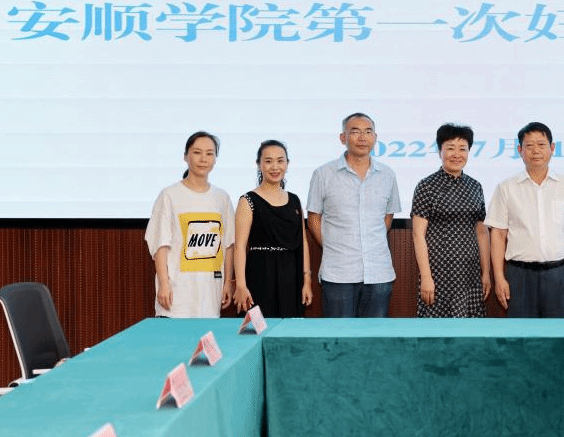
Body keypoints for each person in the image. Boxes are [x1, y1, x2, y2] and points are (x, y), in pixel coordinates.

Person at [485, 122, 564, 318]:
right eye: (529, 145)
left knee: (559, 333)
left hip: (561, 273)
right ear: (520, 150)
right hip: (520, 275)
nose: (536, 151)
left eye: (541, 145)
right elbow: (498, 235)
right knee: (521, 333)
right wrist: (499, 278)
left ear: (552, 148)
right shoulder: (506, 188)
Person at [307, 113, 401, 317]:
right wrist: (332, 244)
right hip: (338, 273)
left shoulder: (387, 175)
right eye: (355, 132)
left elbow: (387, 217)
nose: (362, 137)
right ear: (343, 138)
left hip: (379, 273)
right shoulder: (323, 174)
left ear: (375, 137)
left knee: (374, 334)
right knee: (339, 334)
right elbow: (313, 218)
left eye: (368, 132)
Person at [145, 131, 235, 318]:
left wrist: (227, 282)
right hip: (177, 297)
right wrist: (163, 284)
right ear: (186, 156)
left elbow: (228, 245)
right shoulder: (169, 195)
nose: (203, 159)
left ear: (215, 159)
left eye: (209, 153)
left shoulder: (222, 198)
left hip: (209, 295)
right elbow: (160, 244)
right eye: (197, 152)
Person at [411, 124, 491, 317]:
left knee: (469, 329)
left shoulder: (475, 186)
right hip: (438, 274)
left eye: (462, 149)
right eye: (450, 148)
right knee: (437, 330)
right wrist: (426, 277)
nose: (457, 154)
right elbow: (418, 235)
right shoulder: (426, 186)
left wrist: (486, 273)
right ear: (440, 151)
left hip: (470, 274)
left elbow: (482, 232)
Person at [233, 140, 312, 317]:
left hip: (291, 278)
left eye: (280, 161)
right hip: (258, 277)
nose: (275, 167)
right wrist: (241, 285)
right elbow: (239, 246)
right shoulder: (247, 200)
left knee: (289, 329)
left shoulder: (295, 200)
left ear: (287, 164)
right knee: (255, 330)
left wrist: (307, 280)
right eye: (268, 161)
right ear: (259, 165)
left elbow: (303, 243)